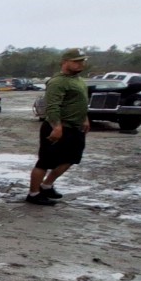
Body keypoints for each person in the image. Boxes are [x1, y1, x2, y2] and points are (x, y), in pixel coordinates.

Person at [27, 48, 90, 206]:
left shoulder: (78, 80)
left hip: (75, 127)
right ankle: (34, 194)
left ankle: (46, 186)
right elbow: (52, 106)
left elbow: (80, 102)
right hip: (58, 127)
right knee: (45, 161)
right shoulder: (57, 82)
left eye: (82, 61)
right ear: (65, 62)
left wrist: (85, 118)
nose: (80, 64)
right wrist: (57, 126)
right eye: (76, 61)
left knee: (71, 158)